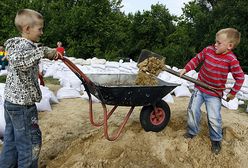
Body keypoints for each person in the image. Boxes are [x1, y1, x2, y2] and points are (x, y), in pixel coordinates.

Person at [0, 9, 63, 167]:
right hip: (21, 106)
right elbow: (20, 62)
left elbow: (32, 53)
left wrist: (48, 52)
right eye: (40, 29)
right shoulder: (21, 48)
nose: (42, 32)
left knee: (12, 142)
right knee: (29, 144)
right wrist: (42, 52)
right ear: (27, 29)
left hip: (12, 103)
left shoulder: (23, 45)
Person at [179, 28, 245, 155]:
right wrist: (186, 69)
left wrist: (233, 93)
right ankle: (192, 131)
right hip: (200, 87)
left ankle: (216, 139)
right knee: (192, 109)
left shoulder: (231, 60)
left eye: (219, 43)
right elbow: (197, 59)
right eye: (215, 41)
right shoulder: (208, 50)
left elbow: (240, 77)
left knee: (214, 117)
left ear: (229, 46)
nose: (215, 44)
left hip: (214, 93)